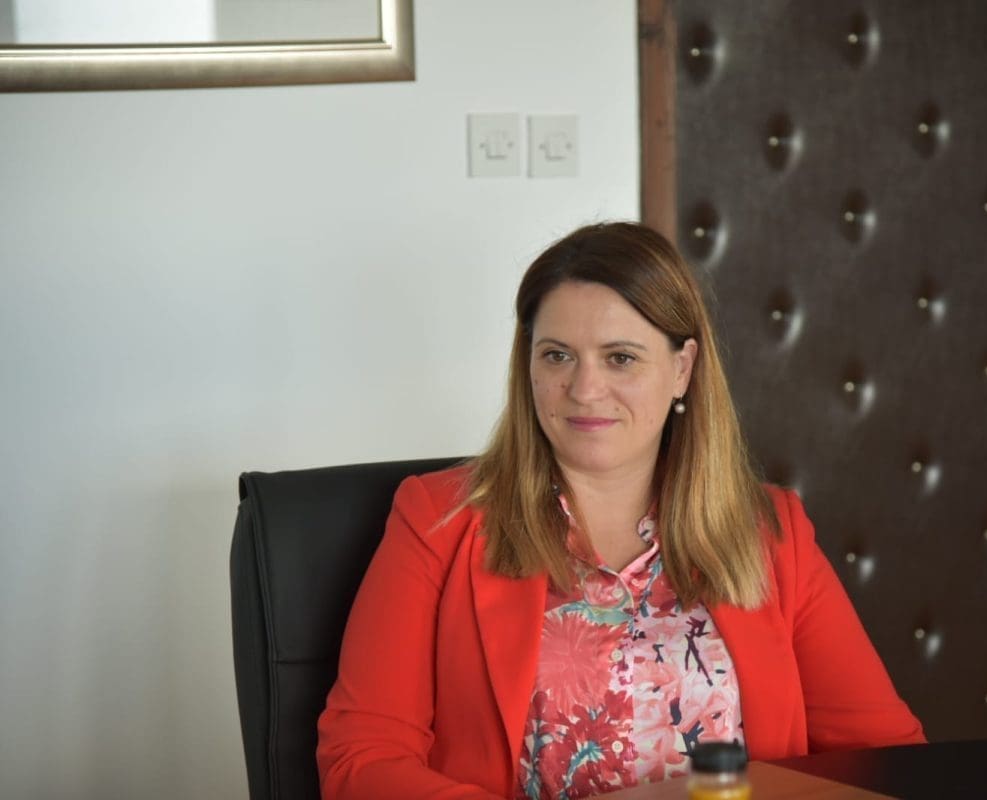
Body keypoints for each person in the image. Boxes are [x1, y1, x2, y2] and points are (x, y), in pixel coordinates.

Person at [317, 222, 924, 799]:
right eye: (557, 355)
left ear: (682, 369)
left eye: (621, 358)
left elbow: (886, 755)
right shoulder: (437, 520)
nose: (585, 390)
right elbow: (361, 759)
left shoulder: (771, 530)